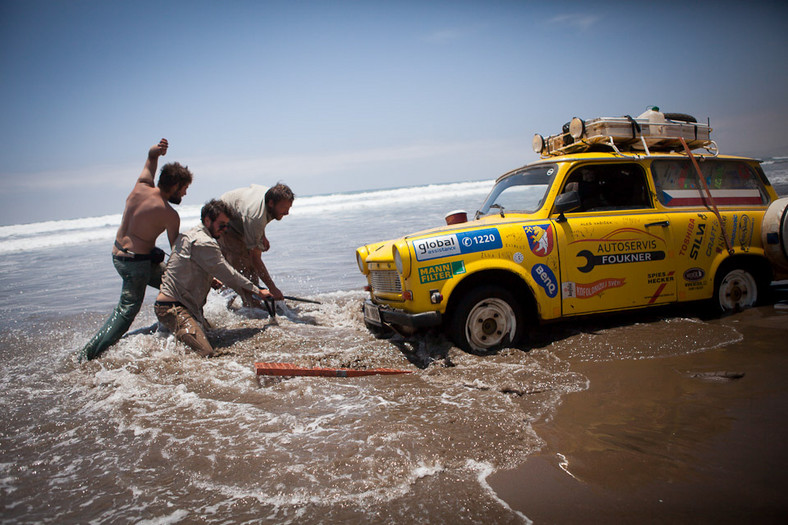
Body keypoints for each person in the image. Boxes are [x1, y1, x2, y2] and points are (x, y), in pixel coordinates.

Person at [79, 139, 193, 362]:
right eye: (184, 189)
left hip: (120, 255)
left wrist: (158, 151)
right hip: (135, 266)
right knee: (127, 311)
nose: (185, 194)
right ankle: (87, 356)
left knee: (174, 287)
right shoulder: (170, 215)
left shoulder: (141, 185)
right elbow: (177, 255)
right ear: (175, 186)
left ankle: (169, 332)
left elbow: (151, 157)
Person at [154, 199, 273, 357]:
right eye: (221, 225)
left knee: (215, 336)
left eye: (227, 226)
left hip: (181, 306)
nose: (224, 230)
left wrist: (210, 280)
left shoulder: (189, 235)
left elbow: (184, 268)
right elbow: (229, 274)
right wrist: (258, 291)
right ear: (207, 220)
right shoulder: (205, 242)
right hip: (172, 308)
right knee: (206, 352)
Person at [218, 183, 294, 305]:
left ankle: (252, 301)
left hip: (242, 216)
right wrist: (273, 288)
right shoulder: (255, 218)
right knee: (242, 267)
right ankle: (225, 305)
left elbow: (258, 217)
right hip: (225, 221)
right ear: (270, 203)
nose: (287, 213)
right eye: (283, 208)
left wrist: (261, 235)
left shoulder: (270, 198)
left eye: (289, 208)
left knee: (251, 270)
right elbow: (255, 259)